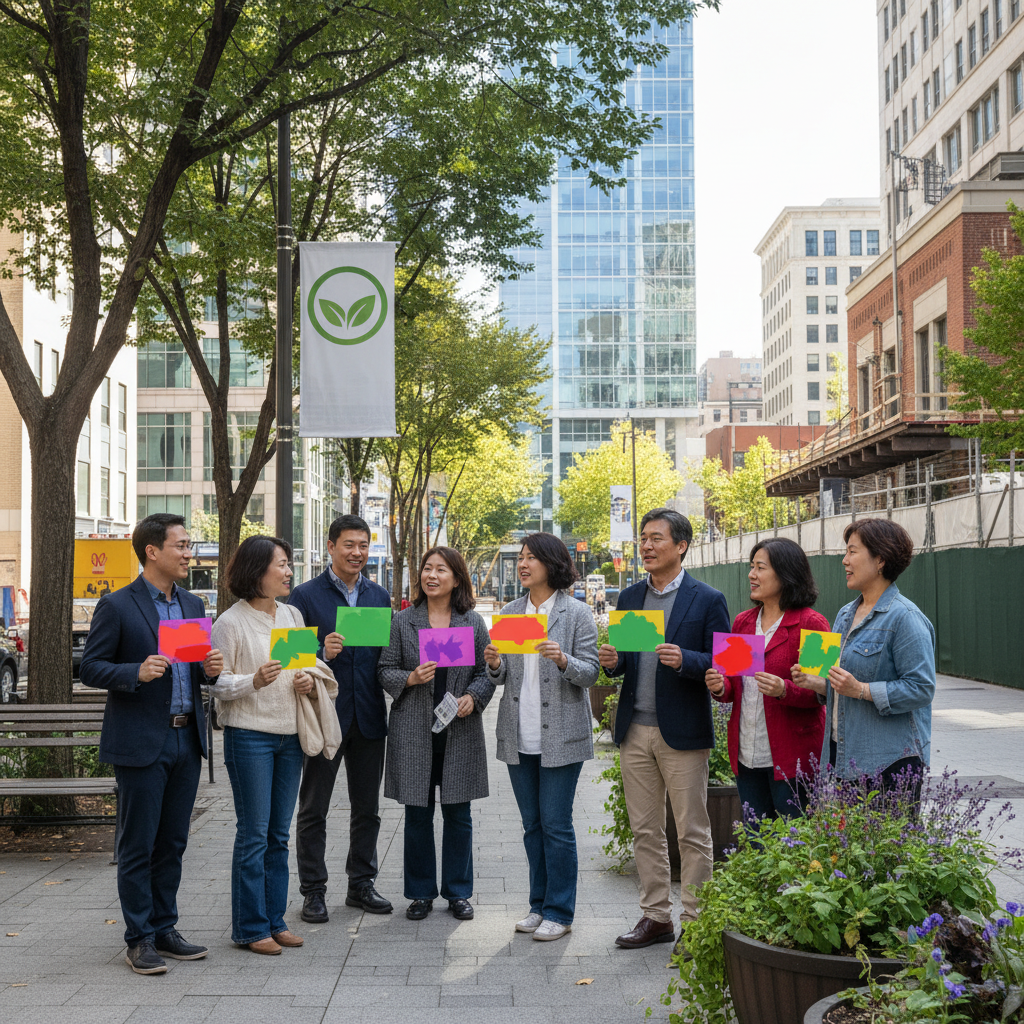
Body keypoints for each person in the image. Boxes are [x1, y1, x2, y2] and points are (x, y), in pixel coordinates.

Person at [80, 513, 223, 975]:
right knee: (137, 843)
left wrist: (210, 669)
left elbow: (194, 669)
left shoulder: (193, 606)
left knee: (173, 841)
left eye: (189, 545)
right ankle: (138, 937)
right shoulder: (118, 606)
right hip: (142, 741)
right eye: (181, 545)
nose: (188, 553)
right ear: (152, 551)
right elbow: (91, 668)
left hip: (187, 738)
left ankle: (165, 928)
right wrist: (134, 672)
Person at [599, 508, 730, 953]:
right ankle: (656, 917)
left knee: (692, 830)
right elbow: (627, 663)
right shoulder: (630, 596)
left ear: (681, 546)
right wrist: (615, 664)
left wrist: (688, 660)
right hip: (635, 729)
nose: (647, 546)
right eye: (643, 538)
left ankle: (695, 920)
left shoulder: (707, 599)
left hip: (683, 733)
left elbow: (724, 664)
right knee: (645, 829)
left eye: (657, 538)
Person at [210, 535, 339, 955]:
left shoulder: (292, 614)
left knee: (279, 834)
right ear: (256, 571)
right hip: (249, 736)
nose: (288, 572)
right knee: (254, 834)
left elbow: (303, 666)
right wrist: (254, 680)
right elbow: (216, 684)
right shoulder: (230, 623)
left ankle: (275, 920)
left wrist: (305, 679)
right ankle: (250, 927)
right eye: (280, 565)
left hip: (291, 736)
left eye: (288, 564)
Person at [484, 533, 600, 942]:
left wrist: (564, 660)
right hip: (519, 734)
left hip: (562, 736)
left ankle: (560, 910)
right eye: (521, 557)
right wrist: (495, 664)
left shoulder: (576, 613)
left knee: (556, 824)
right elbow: (500, 680)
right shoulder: (513, 611)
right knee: (532, 825)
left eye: (532, 557)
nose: (523, 563)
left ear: (552, 563)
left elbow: (591, 673)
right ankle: (538, 905)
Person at [377, 547, 494, 921]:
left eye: (440, 570)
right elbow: (385, 669)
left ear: (456, 578)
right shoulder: (402, 622)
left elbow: (486, 673)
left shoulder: (472, 622)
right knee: (418, 814)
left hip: (458, 730)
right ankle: (420, 893)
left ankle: (458, 893)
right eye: (427, 568)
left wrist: (473, 698)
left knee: (459, 814)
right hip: (414, 729)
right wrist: (409, 678)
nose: (431, 575)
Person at [290, 514, 394, 923]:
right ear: (330, 546)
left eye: (363, 546)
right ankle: (313, 891)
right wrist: (320, 653)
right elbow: (291, 659)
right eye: (349, 545)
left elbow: (384, 659)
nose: (357, 553)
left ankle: (361, 884)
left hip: (369, 716)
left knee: (366, 808)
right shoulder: (304, 596)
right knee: (313, 807)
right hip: (323, 717)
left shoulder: (379, 596)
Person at [792, 519, 935, 799]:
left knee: (886, 843)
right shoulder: (845, 613)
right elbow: (840, 684)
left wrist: (862, 690)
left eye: (852, 552)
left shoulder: (905, 618)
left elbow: (922, 689)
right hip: (842, 757)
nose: (844, 560)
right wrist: (816, 682)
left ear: (880, 560)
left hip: (890, 763)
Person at [704, 538, 829, 820]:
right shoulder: (742, 622)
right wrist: (719, 686)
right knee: (757, 841)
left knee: (795, 845)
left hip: (794, 757)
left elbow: (824, 692)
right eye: (751, 567)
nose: (752, 575)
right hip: (746, 753)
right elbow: (732, 687)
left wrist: (785, 690)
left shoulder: (814, 623)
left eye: (760, 567)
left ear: (786, 574)